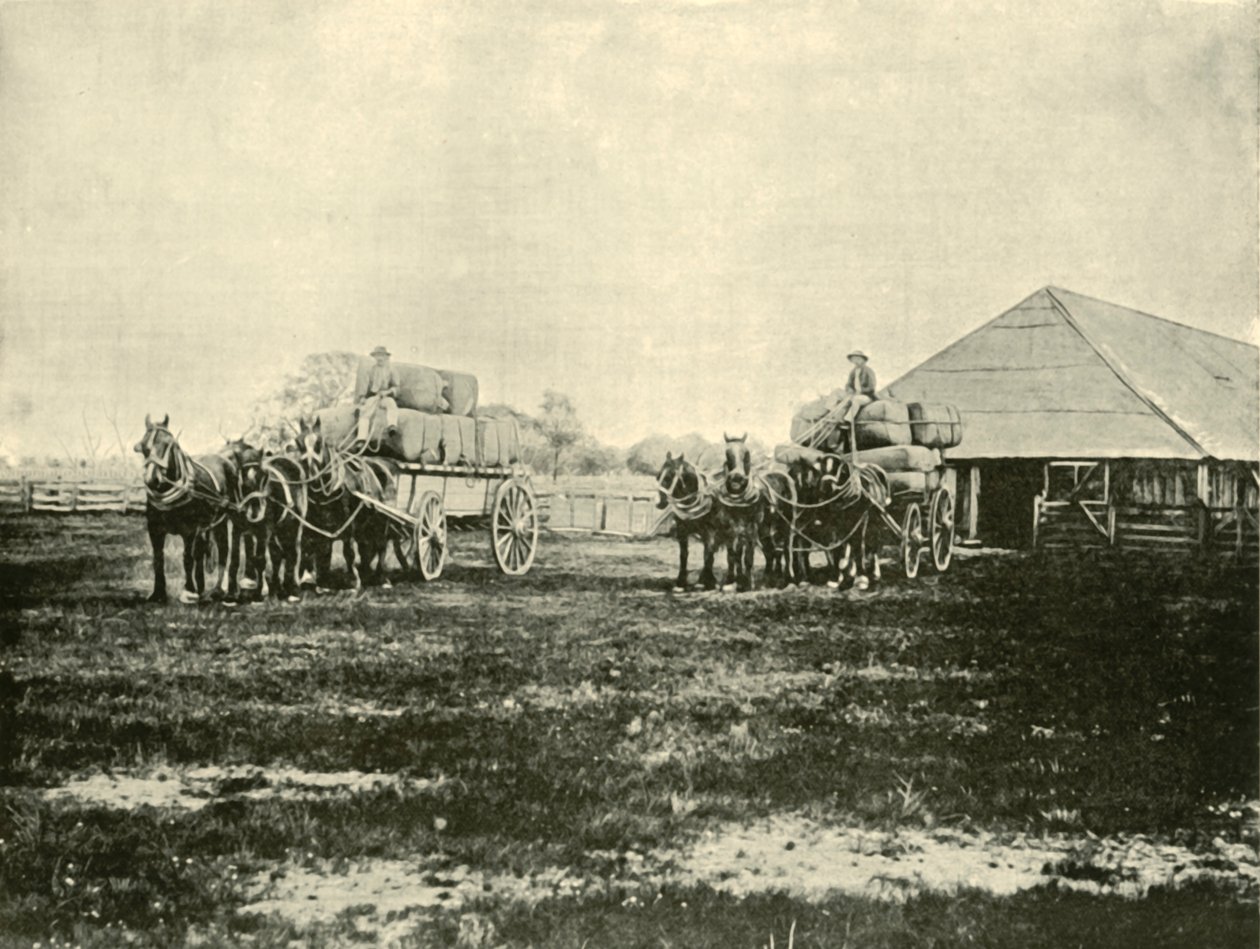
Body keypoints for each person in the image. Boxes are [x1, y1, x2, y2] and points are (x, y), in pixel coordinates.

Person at [355, 346, 401, 443]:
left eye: (382, 356)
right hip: (373, 396)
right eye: (377, 356)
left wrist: (388, 392)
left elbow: (396, 387)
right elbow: (365, 385)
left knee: (391, 404)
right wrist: (362, 397)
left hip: (385, 397)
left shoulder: (392, 370)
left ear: (386, 357)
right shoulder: (371, 370)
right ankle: (361, 438)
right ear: (374, 357)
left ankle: (392, 426)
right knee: (365, 412)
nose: (379, 358)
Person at [832, 350, 877, 448]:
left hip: (866, 396)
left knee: (856, 400)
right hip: (854, 395)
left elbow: (872, 387)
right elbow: (848, 385)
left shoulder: (868, 371)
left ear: (863, 360)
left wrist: (860, 391)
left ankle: (847, 421)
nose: (856, 361)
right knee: (838, 394)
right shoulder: (853, 372)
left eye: (858, 359)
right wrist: (849, 391)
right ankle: (833, 413)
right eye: (854, 359)